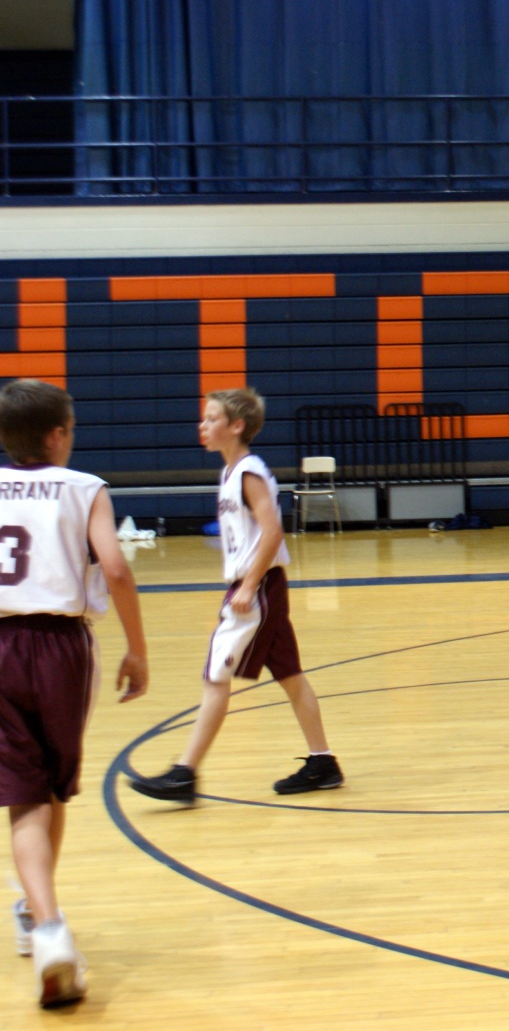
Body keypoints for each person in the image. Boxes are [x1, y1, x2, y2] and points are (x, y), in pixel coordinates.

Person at [0, 379, 149, 1008]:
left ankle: (41, 920)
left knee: (22, 796)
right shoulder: (85, 487)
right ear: (58, 434)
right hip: (61, 648)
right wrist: (137, 649)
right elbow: (115, 568)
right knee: (53, 787)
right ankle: (45, 923)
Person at [131, 388, 346, 804]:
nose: (203, 425)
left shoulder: (248, 472)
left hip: (257, 587)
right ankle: (323, 762)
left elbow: (273, 532)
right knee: (290, 675)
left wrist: (248, 586)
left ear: (236, 426)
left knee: (216, 676)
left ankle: (184, 774)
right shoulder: (232, 472)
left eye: (211, 418)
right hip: (262, 586)